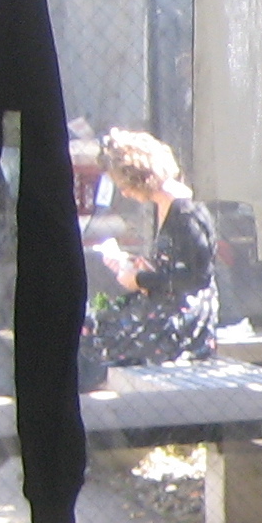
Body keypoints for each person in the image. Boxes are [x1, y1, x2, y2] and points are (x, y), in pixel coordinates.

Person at [81, 129, 218, 381]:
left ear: (140, 178)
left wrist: (139, 280)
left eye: (125, 185)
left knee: (94, 336)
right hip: (165, 306)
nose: (124, 193)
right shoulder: (168, 206)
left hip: (181, 320)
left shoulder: (186, 214)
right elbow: (176, 267)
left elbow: (197, 278)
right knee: (89, 326)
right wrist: (139, 267)